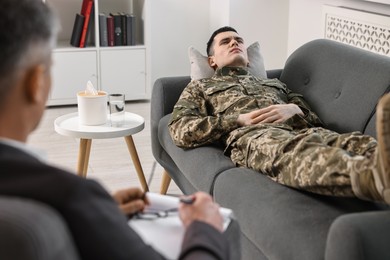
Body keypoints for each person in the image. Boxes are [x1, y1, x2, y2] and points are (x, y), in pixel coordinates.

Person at [0, 1, 233, 259]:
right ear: (36, 83)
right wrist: (205, 229)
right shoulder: (72, 195)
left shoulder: (60, 197)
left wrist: (99, 214)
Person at [169, 26, 390, 204]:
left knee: (352, 141)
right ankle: (371, 176)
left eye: (238, 40)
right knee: (292, 152)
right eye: (225, 42)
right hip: (255, 137)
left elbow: (315, 120)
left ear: (248, 58)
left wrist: (296, 110)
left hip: (303, 130)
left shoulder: (275, 84)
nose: (234, 43)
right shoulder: (201, 87)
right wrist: (236, 120)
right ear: (212, 61)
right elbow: (180, 129)